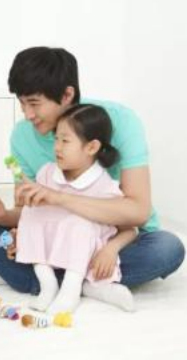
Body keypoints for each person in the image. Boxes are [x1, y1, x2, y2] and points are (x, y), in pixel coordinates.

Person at [0, 47, 185, 307]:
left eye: (34, 104)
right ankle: (86, 282)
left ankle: (39, 278)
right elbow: (32, 213)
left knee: (166, 248)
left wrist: (60, 198)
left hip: (109, 237)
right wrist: (3, 217)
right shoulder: (22, 135)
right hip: (53, 237)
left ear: (67, 94)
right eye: (22, 103)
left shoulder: (120, 121)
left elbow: (137, 212)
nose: (27, 115)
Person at [16, 104, 136, 313]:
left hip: (86, 257)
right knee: (28, 214)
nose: (57, 147)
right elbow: (36, 218)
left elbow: (130, 230)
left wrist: (110, 250)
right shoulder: (46, 173)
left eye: (65, 141)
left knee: (78, 222)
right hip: (49, 253)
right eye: (56, 139)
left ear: (91, 147)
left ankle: (71, 288)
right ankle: (48, 284)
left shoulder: (104, 185)